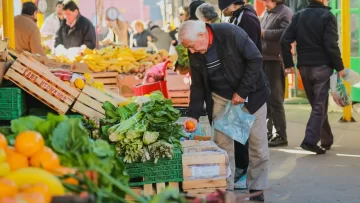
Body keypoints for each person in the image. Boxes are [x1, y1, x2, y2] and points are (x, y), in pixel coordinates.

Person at [180, 20, 270, 201]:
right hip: (220, 98)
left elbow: (255, 59)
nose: (191, 51)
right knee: (222, 147)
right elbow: (197, 85)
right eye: (188, 48)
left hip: (252, 96)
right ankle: (225, 191)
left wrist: (242, 92)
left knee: (257, 146)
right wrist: (194, 116)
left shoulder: (231, 33)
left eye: (191, 46)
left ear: (201, 35)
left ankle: (256, 191)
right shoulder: (195, 51)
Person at [280, 0, 346, 154]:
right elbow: (331, 44)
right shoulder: (327, 16)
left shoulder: (298, 16)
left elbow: (284, 40)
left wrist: (289, 64)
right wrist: (340, 67)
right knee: (319, 107)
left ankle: (327, 139)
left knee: (318, 105)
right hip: (322, 67)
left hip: (304, 67)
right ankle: (309, 141)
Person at [219, 0, 261, 189]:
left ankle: (245, 171)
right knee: (238, 130)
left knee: (246, 134)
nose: (224, 12)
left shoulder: (248, 19)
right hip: (241, 82)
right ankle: (242, 170)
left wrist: (243, 88)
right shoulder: (239, 17)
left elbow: (251, 55)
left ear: (232, 5)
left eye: (224, 8)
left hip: (248, 84)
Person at [260, 0, 293, 147]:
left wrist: (264, 33)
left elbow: (286, 34)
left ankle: (281, 135)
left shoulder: (285, 13)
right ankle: (269, 132)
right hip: (264, 59)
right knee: (266, 99)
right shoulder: (266, 13)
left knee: (275, 99)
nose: (263, 3)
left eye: (266, 1)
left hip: (275, 60)